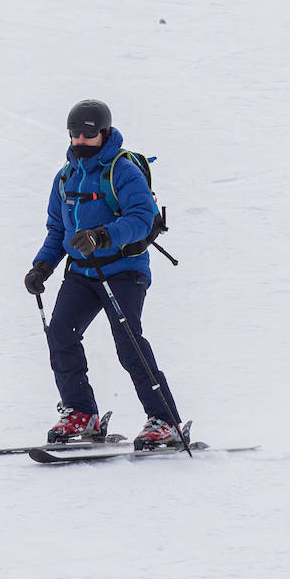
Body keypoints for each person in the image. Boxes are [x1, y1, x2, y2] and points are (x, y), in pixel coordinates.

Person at [24, 98, 182, 448]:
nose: (80, 140)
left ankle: (165, 421)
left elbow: (141, 218)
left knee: (128, 344)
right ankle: (81, 412)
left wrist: (102, 236)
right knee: (61, 333)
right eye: (74, 134)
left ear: (103, 133)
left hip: (124, 270)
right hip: (82, 272)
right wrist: (43, 266)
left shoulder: (122, 170)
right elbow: (57, 230)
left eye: (88, 134)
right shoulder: (65, 177)